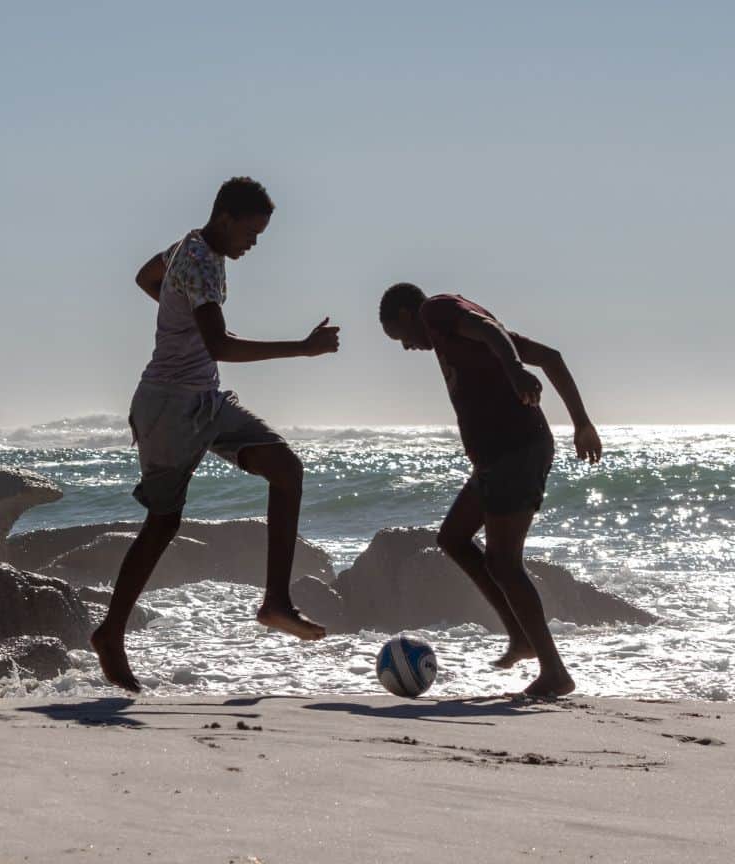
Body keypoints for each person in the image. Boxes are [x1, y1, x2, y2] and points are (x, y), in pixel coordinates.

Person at [92, 177, 339, 692]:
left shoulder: (191, 248)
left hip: (205, 400)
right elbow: (220, 344)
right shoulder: (202, 259)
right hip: (167, 408)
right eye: (251, 231)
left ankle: (275, 601)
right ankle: (111, 634)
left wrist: (173, 313)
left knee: (285, 469)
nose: (254, 243)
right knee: (163, 524)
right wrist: (303, 348)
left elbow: (146, 277)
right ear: (225, 218)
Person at [379, 284, 601, 697]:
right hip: (494, 460)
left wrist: (516, 371)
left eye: (401, 337)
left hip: (515, 451)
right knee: (453, 537)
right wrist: (580, 422)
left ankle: (554, 671)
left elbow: (489, 329)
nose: (409, 347)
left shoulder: (437, 310)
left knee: (503, 562)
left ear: (409, 314)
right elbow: (551, 357)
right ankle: (520, 637)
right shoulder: (474, 340)